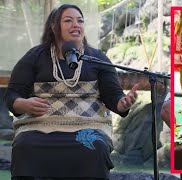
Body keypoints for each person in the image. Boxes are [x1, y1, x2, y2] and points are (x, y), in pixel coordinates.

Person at [4, 4, 138, 180]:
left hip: (88, 126)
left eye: (80, 21)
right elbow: (12, 94)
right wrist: (23, 104)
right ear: (54, 27)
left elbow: (113, 96)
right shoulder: (34, 56)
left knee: (95, 147)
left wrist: (122, 103)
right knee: (24, 145)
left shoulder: (98, 58)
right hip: (39, 126)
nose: (76, 25)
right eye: (68, 20)